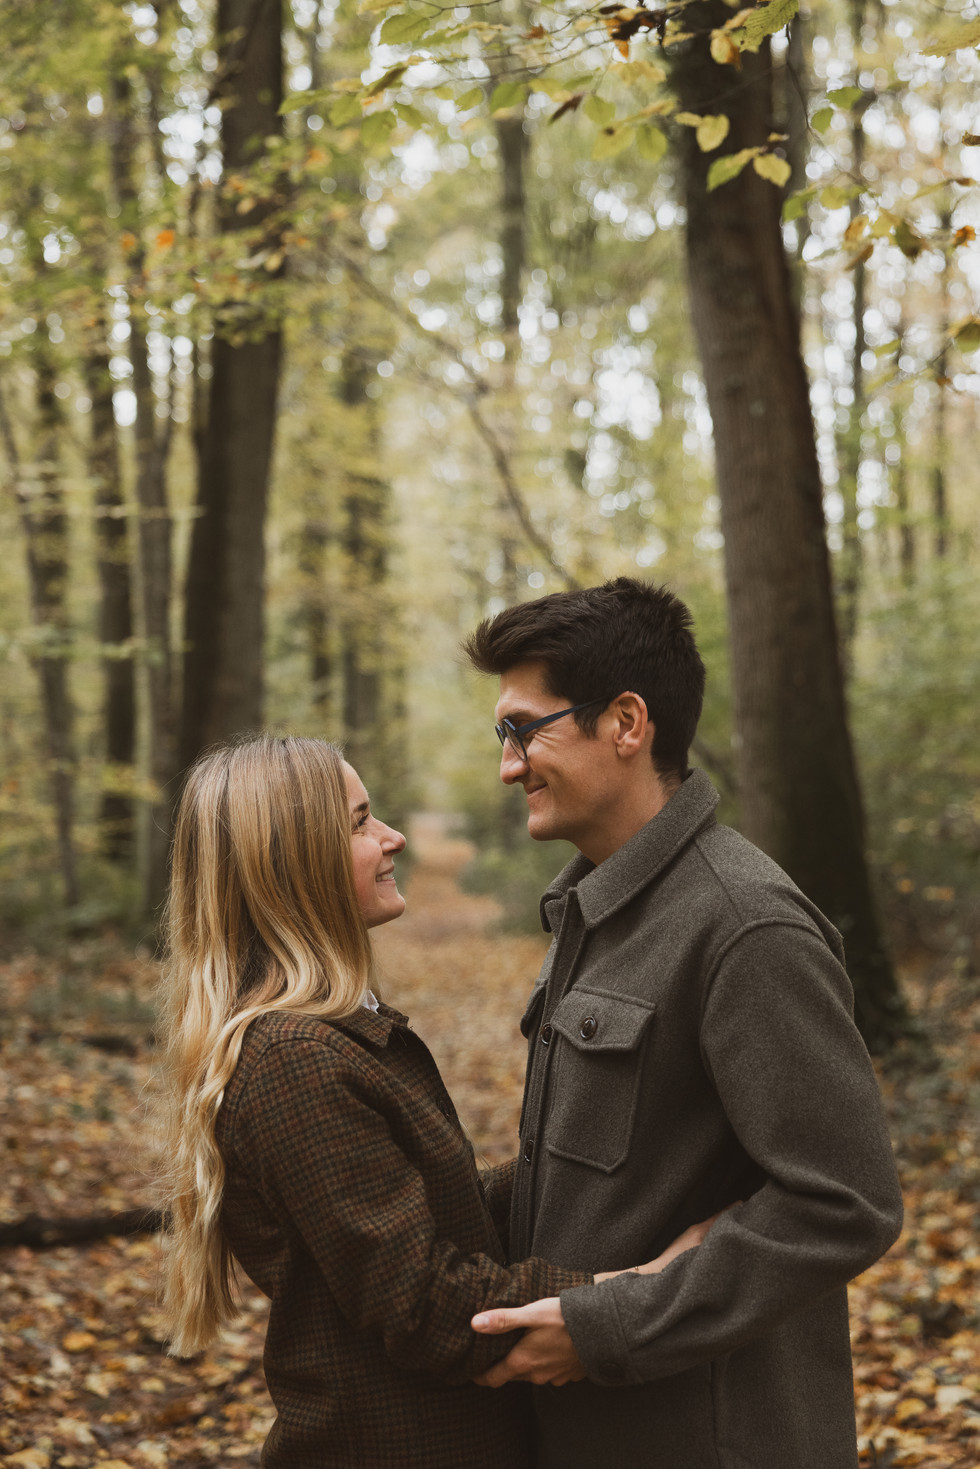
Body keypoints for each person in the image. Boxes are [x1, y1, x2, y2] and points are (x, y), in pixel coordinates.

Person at [158, 734, 707, 1469]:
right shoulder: (294, 1060)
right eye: (359, 823)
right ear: (292, 861)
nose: (393, 836)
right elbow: (428, 1306)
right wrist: (633, 1291)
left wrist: (607, 1158)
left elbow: (429, 1212)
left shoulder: (327, 1035)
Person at [462, 578, 905, 1469]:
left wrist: (608, 1326)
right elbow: (615, 1167)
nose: (509, 764)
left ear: (627, 723)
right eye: (502, 733)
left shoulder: (745, 924)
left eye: (526, 729)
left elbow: (845, 1202)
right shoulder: (601, 906)